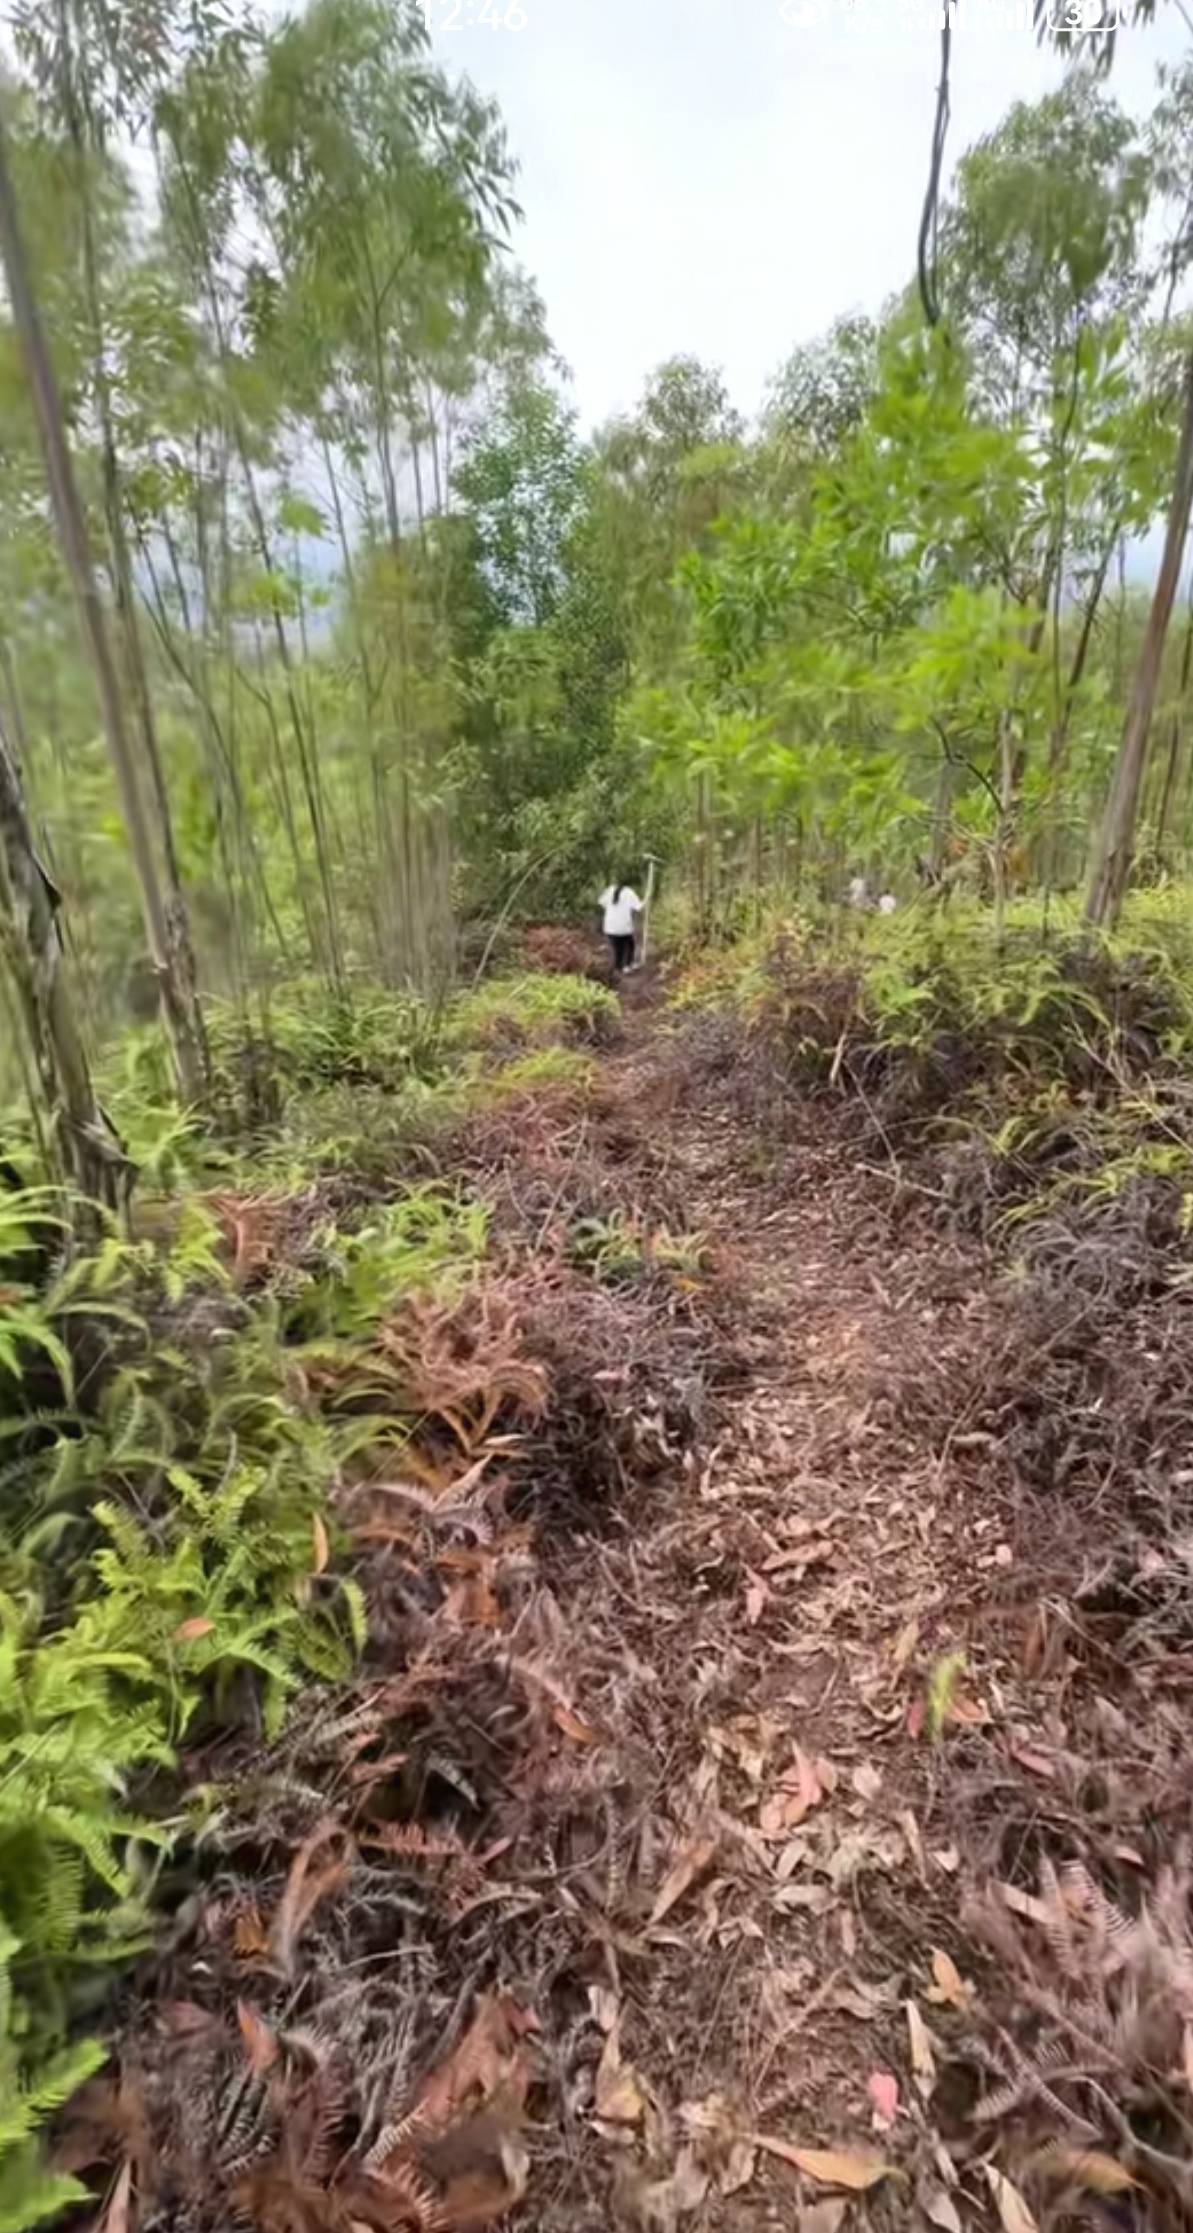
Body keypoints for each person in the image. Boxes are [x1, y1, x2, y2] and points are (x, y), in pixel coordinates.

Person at [599, 879, 643, 976]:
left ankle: (618, 967)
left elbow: (601, 902)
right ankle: (626, 965)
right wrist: (646, 900)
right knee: (629, 945)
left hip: (610, 926)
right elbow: (639, 907)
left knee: (617, 947)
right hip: (624, 927)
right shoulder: (629, 892)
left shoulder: (609, 890)